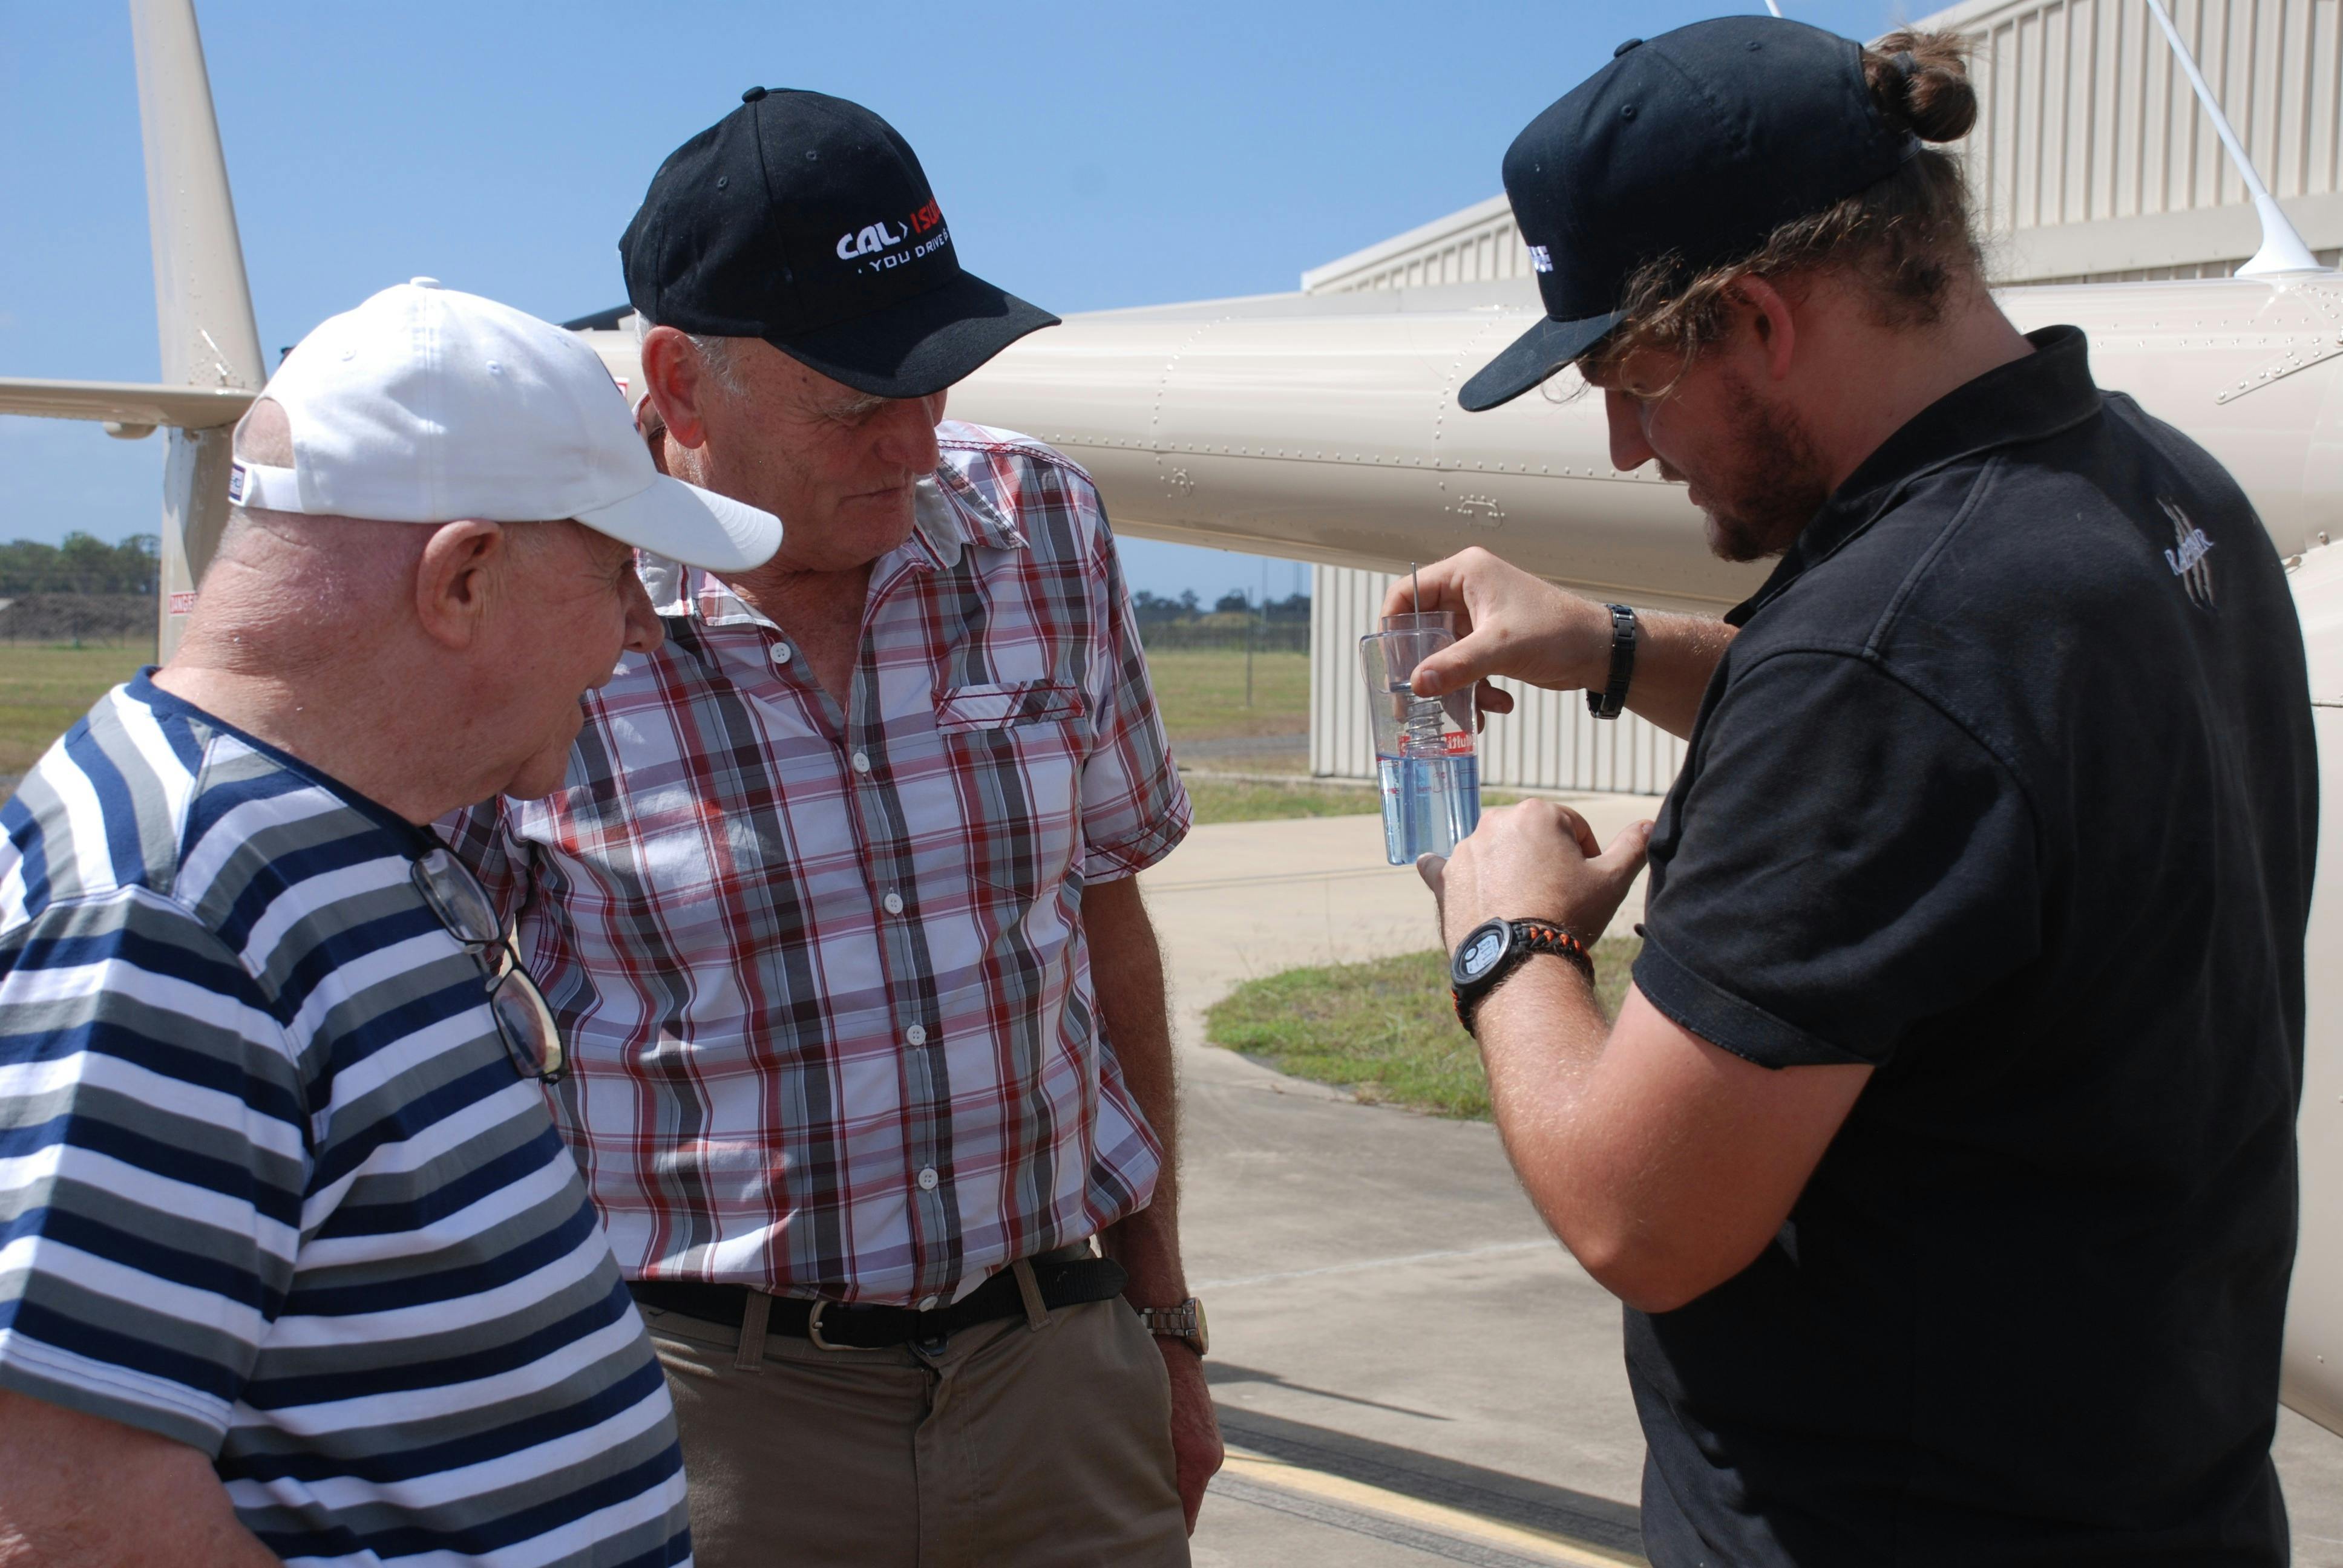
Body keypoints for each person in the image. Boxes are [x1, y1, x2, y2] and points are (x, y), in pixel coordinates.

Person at [1404, 19, 2316, 1567]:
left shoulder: (1882, 655)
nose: (1628, 451)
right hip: (2168, 1498)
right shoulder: (2147, 494)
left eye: (1632, 381)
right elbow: (1966, 738)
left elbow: (1646, 1218)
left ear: (1755, 317)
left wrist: (1507, 941)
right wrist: (1615, 647)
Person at [445, 90, 1219, 1566]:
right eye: (859, 405)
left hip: (1059, 1376)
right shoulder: (533, 596)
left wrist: (1163, 1320)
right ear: (679, 383)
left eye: (936, 380)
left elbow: (1101, 910)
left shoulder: (1040, 526)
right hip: (707, 1419)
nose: (919, 443)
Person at [0, 279, 782, 1566]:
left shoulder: (313, 835)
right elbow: (68, 1519)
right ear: (463, 579)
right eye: (612, 573)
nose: (640, 630)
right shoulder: (166, 911)